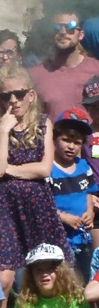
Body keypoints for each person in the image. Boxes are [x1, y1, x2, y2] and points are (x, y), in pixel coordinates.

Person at [0, 65, 70, 292]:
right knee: (3, 277)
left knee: (48, 271)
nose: (13, 100)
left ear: (30, 95)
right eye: (5, 96)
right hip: (6, 207)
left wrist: (8, 169)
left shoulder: (43, 124)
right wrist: (4, 131)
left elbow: (44, 169)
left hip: (37, 205)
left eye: (19, 94)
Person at [49, 109, 99, 282]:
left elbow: (89, 192)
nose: (71, 146)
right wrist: (63, 217)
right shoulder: (48, 169)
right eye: (66, 140)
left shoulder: (84, 166)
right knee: (65, 282)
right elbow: (42, 204)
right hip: (59, 238)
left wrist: (90, 212)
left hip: (82, 238)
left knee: (85, 279)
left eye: (77, 142)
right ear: (54, 139)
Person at [29, 10, 99, 122]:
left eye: (70, 27)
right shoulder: (34, 76)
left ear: (81, 35)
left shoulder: (96, 69)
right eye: (57, 27)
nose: (62, 31)